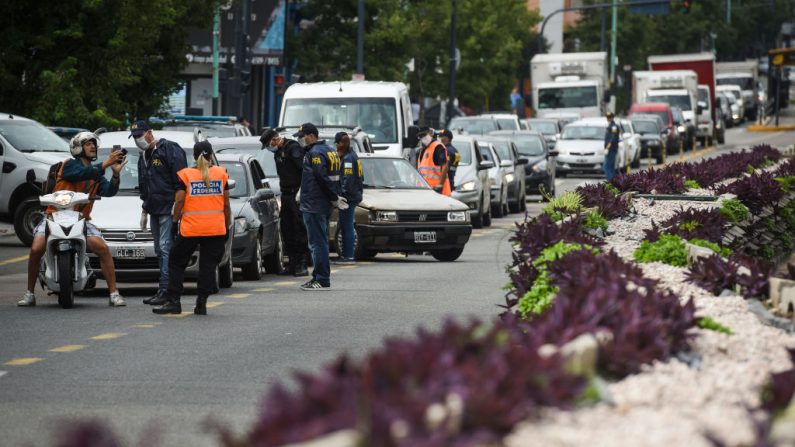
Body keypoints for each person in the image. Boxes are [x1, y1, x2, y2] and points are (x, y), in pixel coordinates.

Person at [18, 132, 126, 307]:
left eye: (94, 144)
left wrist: (115, 175)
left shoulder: (96, 173)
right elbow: (80, 174)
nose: (93, 146)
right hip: (53, 216)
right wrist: (105, 164)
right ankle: (29, 293)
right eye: (88, 144)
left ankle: (114, 293)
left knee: (103, 248)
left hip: (81, 219)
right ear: (77, 148)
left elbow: (109, 192)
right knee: (36, 248)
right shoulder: (68, 166)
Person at [153, 141, 231, 315]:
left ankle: (174, 301)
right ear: (211, 156)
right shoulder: (221, 174)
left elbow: (179, 201)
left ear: (194, 157)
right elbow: (226, 205)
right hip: (215, 229)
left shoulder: (186, 175)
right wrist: (226, 226)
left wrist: (174, 222)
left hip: (191, 229)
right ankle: (201, 302)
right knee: (208, 266)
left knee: (175, 260)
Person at [132, 120, 188, 306]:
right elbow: (145, 184)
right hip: (154, 208)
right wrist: (144, 207)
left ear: (149, 133)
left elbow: (181, 181)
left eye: (139, 136)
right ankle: (162, 289)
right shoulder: (144, 155)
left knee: (165, 248)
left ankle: (166, 290)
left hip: (167, 208)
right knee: (159, 250)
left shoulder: (169, 149)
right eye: (134, 137)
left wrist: (176, 208)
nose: (137, 140)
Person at [295, 123, 346, 290]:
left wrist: (333, 197)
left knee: (317, 243)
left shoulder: (315, 153)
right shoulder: (329, 150)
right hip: (322, 203)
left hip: (315, 203)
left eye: (302, 136)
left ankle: (322, 278)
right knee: (320, 241)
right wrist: (334, 197)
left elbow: (320, 177)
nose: (300, 139)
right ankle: (318, 276)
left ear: (311, 135)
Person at [260, 128, 309, 276]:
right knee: (287, 229)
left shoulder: (293, 149)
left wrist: (302, 192)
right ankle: (292, 264)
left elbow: (304, 171)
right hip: (286, 195)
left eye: (269, 144)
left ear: (275, 140)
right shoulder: (278, 153)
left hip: (296, 194)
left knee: (299, 229)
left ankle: (302, 265)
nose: (269, 148)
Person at [333, 132, 363, 264]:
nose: (335, 146)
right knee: (345, 225)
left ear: (340, 143)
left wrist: (341, 195)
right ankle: (346, 254)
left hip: (348, 198)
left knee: (347, 226)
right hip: (353, 195)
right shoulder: (352, 155)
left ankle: (349, 256)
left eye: (336, 143)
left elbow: (348, 179)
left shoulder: (348, 159)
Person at [416, 127, 451, 196]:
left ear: (430, 133)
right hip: (426, 192)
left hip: (439, 193)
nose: (422, 137)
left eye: (424, 135)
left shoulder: (438, 147)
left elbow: (445, 167)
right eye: (420, 136)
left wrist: (440, 186)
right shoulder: (422, 150)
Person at [603, 112, 620, 181]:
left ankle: (610, 181)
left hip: (611, 149)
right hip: (610, 149)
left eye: (610, 117)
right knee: (611, 167)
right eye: (607, 117)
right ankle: (614, 182)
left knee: (606, 166)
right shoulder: (610, 126)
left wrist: (608, 147)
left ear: (613, 117)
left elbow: (613, 137)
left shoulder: (614, 126)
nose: (608, 118)